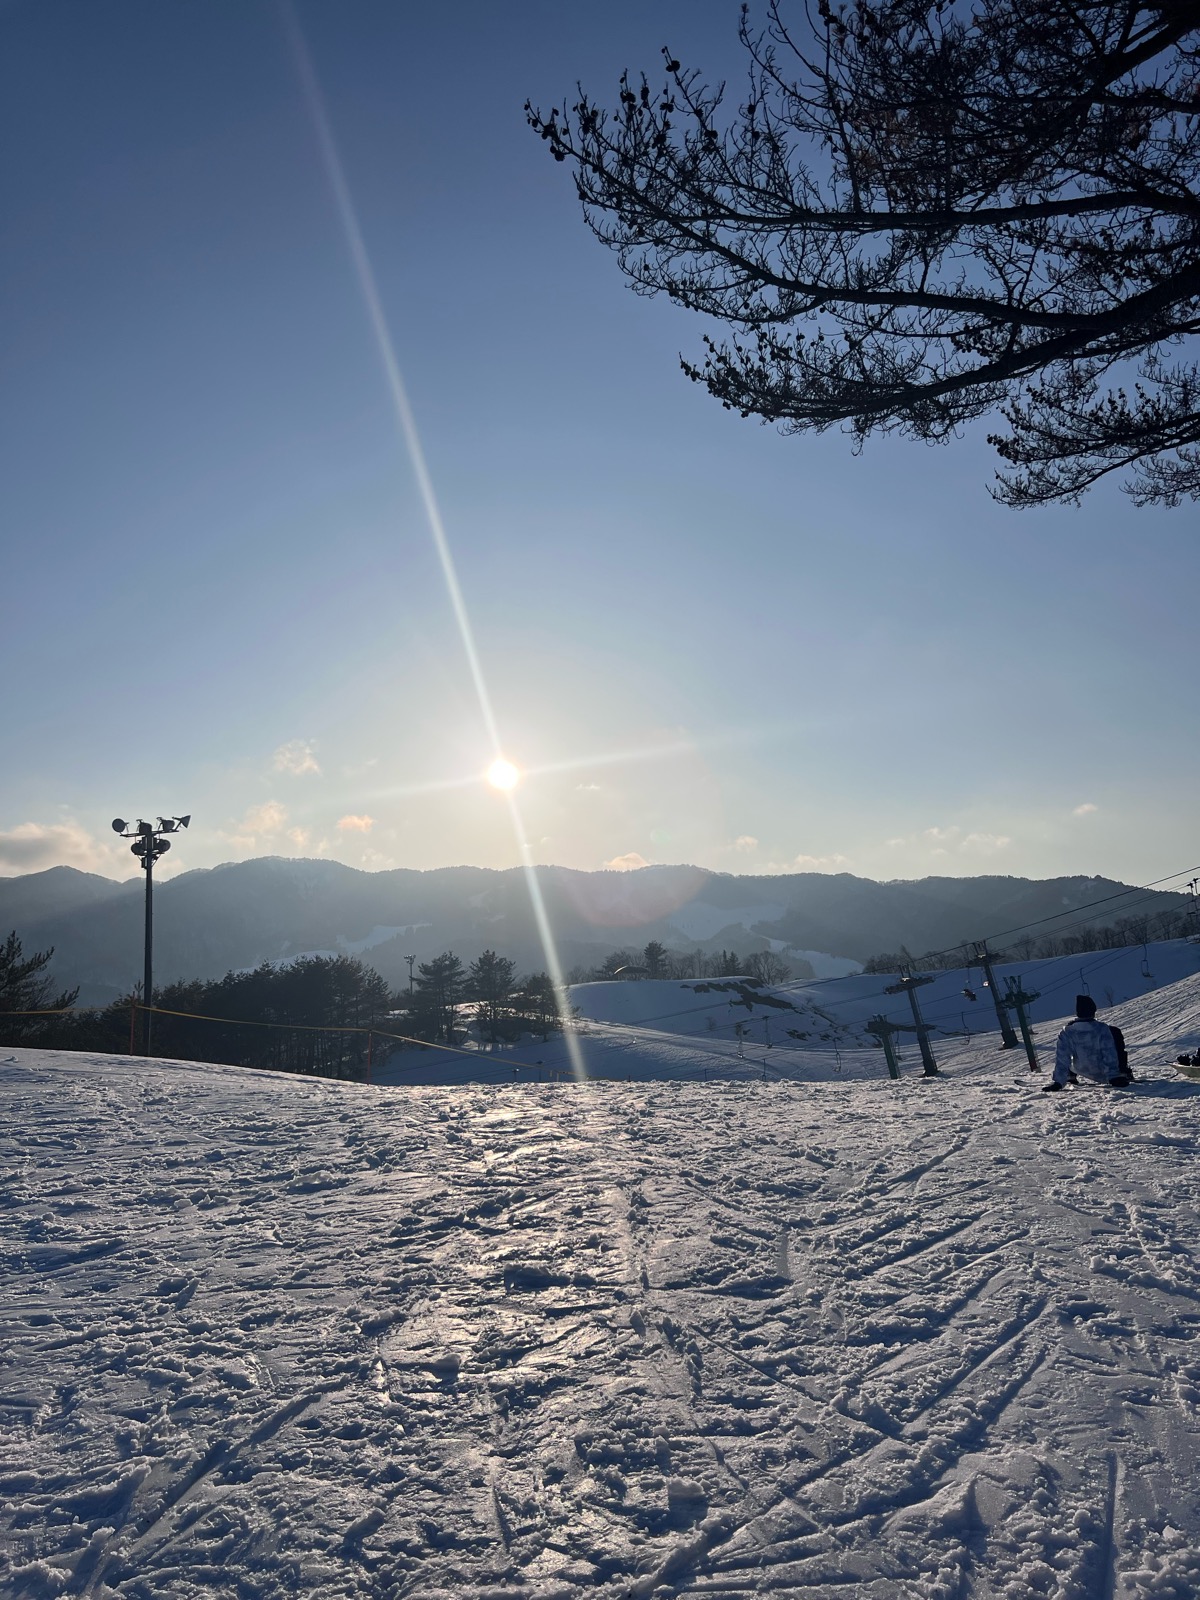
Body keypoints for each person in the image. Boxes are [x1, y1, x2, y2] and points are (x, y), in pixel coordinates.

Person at [1043, 995, 1130, 1091]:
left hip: (1079, 1068)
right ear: (1094, 1011)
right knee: (1115, 1033)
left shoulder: (1067, 1031)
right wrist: (1113, 1077)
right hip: (1102, 1072)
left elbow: (1062, 1057)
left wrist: (1058, 1082)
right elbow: (1109, 1053)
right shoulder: (1102, 1028)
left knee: (1068, 1054)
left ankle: (1069, 1076)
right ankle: (1123, 1071)